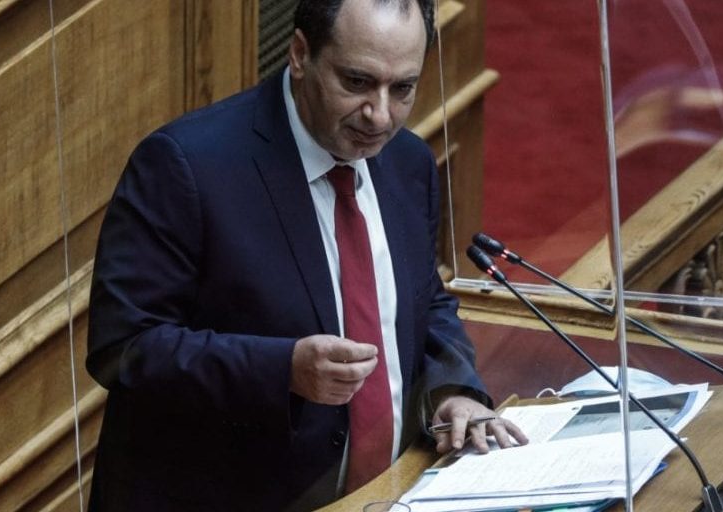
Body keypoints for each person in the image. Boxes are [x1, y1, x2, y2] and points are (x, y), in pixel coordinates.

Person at [85, 0, 527, 510]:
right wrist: (283, 370)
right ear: (300, 54)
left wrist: (453, 389)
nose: (380, 115)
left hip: (387, 495)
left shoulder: (408, 162)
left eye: (402, 88)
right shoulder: (185, 166)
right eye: (357, 82)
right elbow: (124, 347)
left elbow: (424, 302)